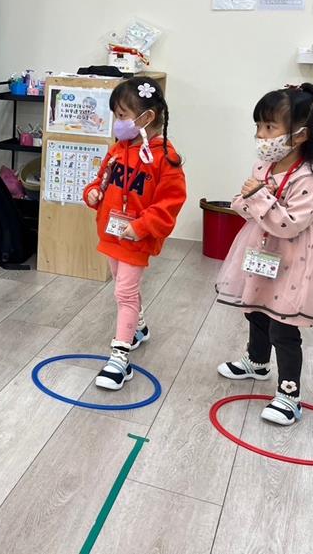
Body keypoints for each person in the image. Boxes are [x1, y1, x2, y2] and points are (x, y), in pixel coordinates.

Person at [215, 83, 313, 426]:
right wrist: (252, 199)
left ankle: (289, 394)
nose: (261, 135)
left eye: (269, 127)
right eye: (259, 126)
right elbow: (241, 204)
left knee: (283, 324)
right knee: (256, 307)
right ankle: (257, 361)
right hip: (263, 248)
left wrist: (258, 198)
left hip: (297, 256)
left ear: (300, 135)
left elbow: (290, 224)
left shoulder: (310, 177)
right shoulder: (263, 167)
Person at [82, 76, 187, 390]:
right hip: (111, 234)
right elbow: (100, 180)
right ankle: (138, 327)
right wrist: (93, 193)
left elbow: (170, 203)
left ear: (147, 117)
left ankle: (119, 358)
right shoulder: (118, 150)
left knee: (124, 293)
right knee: (122, 284)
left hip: (136, 238)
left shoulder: (166, 158)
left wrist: (141, 227)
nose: (117, 122)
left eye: (122, 115)